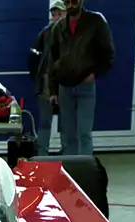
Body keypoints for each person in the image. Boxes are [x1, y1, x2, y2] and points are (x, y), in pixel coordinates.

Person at [46, 0, 115, 156]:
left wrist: (94, 74)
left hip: (85, 86)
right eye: (68, 2)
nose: (71, 4)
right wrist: (52, 91)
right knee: (68, 134)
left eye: (74, 1)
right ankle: (70, 172)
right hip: (65, 88)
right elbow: (53, 61)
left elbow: (108, 53)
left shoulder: (96, 22)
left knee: (84, 132)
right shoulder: (59, 28)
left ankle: (86, 172)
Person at [28, 1, 66, 155]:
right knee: (45, 122)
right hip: (46, 86)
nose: (56, 17)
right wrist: (37, 79)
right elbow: (33, 58)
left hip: (66, 86)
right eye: (54, 14)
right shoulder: (45, 34)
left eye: (60, 13)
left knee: (66, 124)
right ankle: (42, 156)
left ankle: (68, 156)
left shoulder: (73, 34)